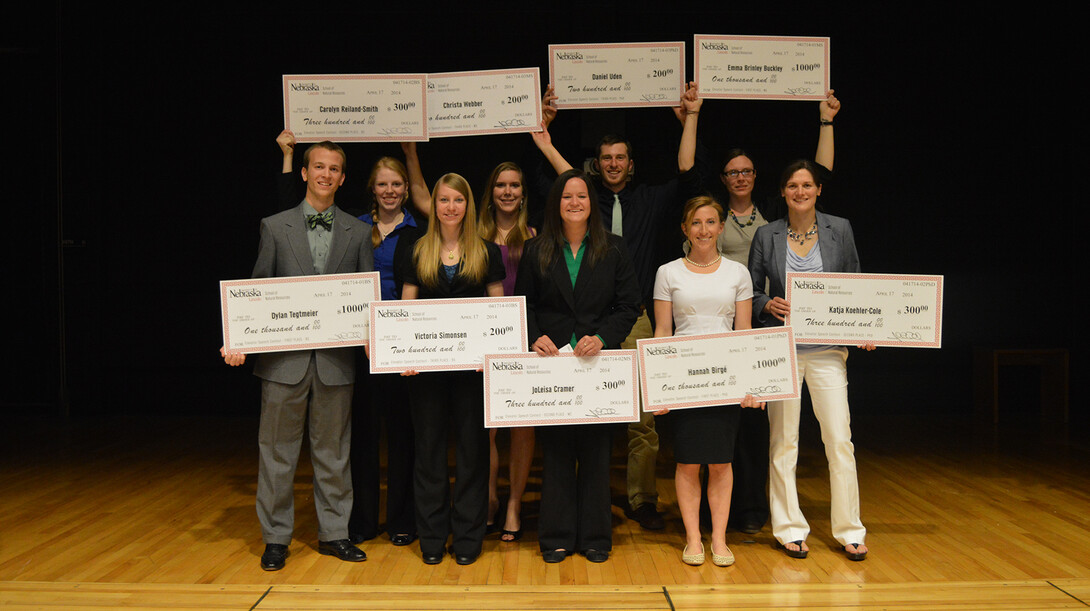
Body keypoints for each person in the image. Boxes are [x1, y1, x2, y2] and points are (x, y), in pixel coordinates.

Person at [529, 83, 704, 531]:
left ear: (630, 162)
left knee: (641, 421)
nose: (613, 164)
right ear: (595, 165)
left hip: (635, 318)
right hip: (582, 324)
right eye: (605, 158)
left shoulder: (649, 199)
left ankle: (642, 499)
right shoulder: (587, 201)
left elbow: (687, 175)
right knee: (579, 412)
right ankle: (586, 501)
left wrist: (690, 120)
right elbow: (564, 183)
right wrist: (544, 138)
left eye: (620, 157)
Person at [221, 141, 372, 571]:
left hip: (335, 363)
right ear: (304, 173)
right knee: (277, 453)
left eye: (335, 168)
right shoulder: (274, 226)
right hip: (282, 363)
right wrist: (239, 339)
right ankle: (275, 538)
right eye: (319, 166)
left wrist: (371, 336)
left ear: (343, 178)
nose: (326, 174)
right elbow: (257, 291)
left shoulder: (358, 232)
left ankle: (334, 534)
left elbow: (365, 299)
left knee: (334, 453)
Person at [277, 130, 429, 546]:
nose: (390, 191)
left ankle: (401, 519)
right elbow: (289, 212)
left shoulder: (420, 232)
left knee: (402, 434)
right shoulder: (354, 228)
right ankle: (360, 521)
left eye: (396, 184)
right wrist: (289, 157)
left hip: (402, 346)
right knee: (359, 435)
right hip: (356, 343)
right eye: (382, 184)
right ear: (371, 188)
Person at [710, 91, 841, 535]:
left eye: (747, 170)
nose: (741, 177)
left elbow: (816, 173)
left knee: (818, 436)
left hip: (792, 334)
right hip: (745, 326)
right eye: (733, 172)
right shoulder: (716, 216)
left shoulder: (778, 212)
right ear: (724, 178)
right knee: (753, 429)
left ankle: (756, 511)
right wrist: (765, 301)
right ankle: (751, 513)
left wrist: (825, 122)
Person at [748, 159, 872, 562]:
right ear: (783, 192)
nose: (800, 192)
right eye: (792, 186)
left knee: (840, 440)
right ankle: (788, 528)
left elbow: (855, 284)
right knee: (784, 443)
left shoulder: (841, 229)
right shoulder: (767, 235)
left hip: (827, 352)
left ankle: (850, 530)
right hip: (782, 352)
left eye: (807, 185)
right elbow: (749, 293)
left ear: (819, 190)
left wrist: (865, 328)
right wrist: (768, 302)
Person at [515, 169, 641, 563]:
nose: (574, 203)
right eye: (567, 196)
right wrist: (534, 335)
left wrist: (602, 337)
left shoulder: (615, 249)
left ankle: (595, 538)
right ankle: (554, 535)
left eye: (582, 196)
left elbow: (629, 306)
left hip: (597, 367)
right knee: (554, 453)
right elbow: (525, 305)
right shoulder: (536, 250)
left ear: (591, 203)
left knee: (596, 454)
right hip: (552, 367)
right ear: (556, 203)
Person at [398, 173, 505, 566]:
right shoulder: (416, 250)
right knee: (428, 454)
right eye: (443, 200)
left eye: (458, 200)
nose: (450, 207)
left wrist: (494, 358)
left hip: (473, 375)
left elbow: (498, 314)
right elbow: (405, 311)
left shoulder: (488, 252)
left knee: (473, 455)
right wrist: (403, 355)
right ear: (435, 206)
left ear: (468, 206)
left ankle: (467, 539)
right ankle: (431, 538)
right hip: (425, 375)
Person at [651, 196, 764, 567]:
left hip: (725, 381)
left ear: (720, 227)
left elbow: (744, 331)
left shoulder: (738, 273)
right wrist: (659, 387)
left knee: (720, 462)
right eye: (695, 223)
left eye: (710, 222)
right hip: (685, 382)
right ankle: (693, 539)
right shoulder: (668, 272)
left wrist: (751, 384)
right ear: (685, 229)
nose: (703, 230)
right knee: (686, 463)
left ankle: (719, 539)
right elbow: (663, 332)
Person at [477, 162, 537, 542]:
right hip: (483, 341)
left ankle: (514, 501)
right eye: (500, 184)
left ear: (523, 192)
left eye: (515, 184)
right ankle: (488, 499)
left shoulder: (534, 236)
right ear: (491, 191)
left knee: (521, 425)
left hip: (525, 339)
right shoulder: (473, 234)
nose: (508, 191)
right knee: (486, 428)